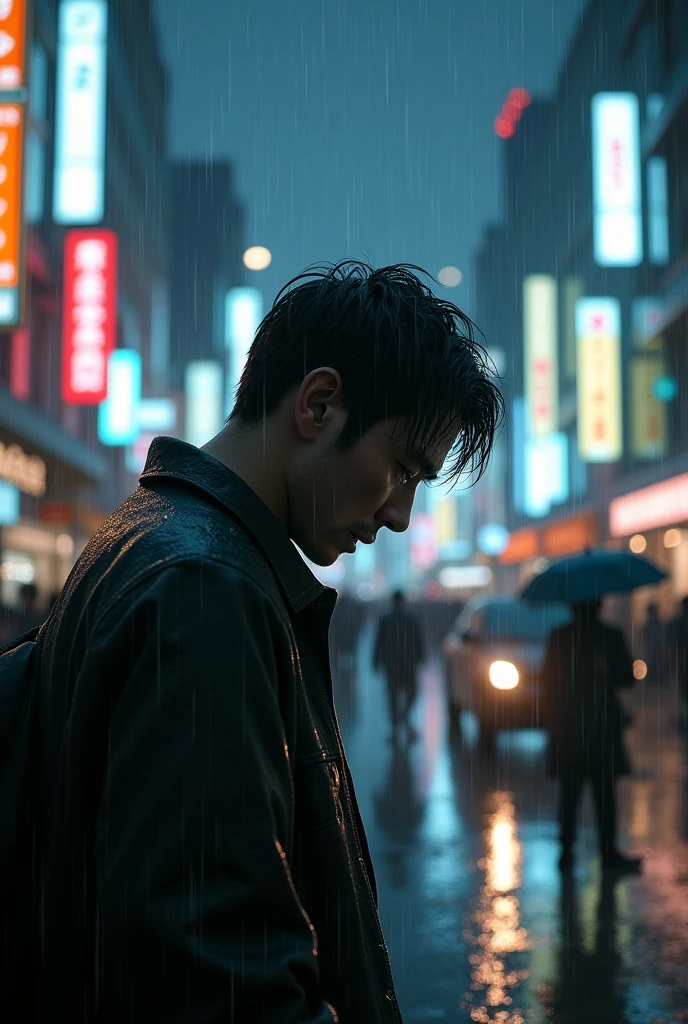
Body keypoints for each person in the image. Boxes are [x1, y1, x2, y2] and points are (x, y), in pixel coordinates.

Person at [16, 261, 502, 1022]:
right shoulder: (204, 589)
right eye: (403, 470)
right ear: (319, 403)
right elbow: (218, 982)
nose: (402, 515)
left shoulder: (149, 540)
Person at [542, 598, 641, 874]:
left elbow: (547, 683)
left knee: (571, 794)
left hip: (571, 729)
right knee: (602, 794)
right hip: (598, 729)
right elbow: (627, 679)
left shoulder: (559, 638)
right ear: (599, 606)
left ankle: (567, 852)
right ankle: (606, 853)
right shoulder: (609, 636)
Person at [374, 590, 426, 742]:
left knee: (394, 697)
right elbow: (418, 641)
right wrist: (421, 657)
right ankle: (403, 722)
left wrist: (377, 661)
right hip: (407, 664)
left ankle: (398, 726)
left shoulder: (386, 620)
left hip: (393, 665)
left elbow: (379, 643)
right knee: (410, 694)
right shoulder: (410, 620)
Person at [641, 601, 667, 683]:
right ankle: (657, 680)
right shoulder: (657, 624)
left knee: (655, 664)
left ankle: (655, 680)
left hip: (654, 649)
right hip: (654, 649)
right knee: (655, 664)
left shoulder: (650, 625)